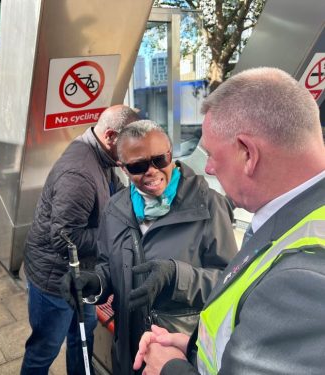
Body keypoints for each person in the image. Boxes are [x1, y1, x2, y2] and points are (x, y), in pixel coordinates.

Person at [133, 67, 325, 374]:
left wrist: (168, 368)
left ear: (248, 153)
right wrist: (194, 347)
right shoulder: (296, 219)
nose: (207, 169)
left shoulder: (303, 277)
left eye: (211, 154)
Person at [61, 120, 238, 374]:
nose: (152, 171)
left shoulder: (209, 205)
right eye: (138, 166)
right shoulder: (114, 208)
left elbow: (229, 285)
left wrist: (176, 277)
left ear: (171, 154)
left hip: (178, 350)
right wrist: (95, 282)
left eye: (160, 160)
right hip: (128, 350)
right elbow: (107, 265)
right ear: (123, 168)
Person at [21, 105, 140, 375]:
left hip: (82, 276)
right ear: (110, 136)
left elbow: (116, 193)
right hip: (55, 280)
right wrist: (116, 234)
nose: (131, 153)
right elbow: (65, 239)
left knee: (82, 339)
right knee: (44, 350)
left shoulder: (103, 157)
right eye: (128, 145)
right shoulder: (80, 173)